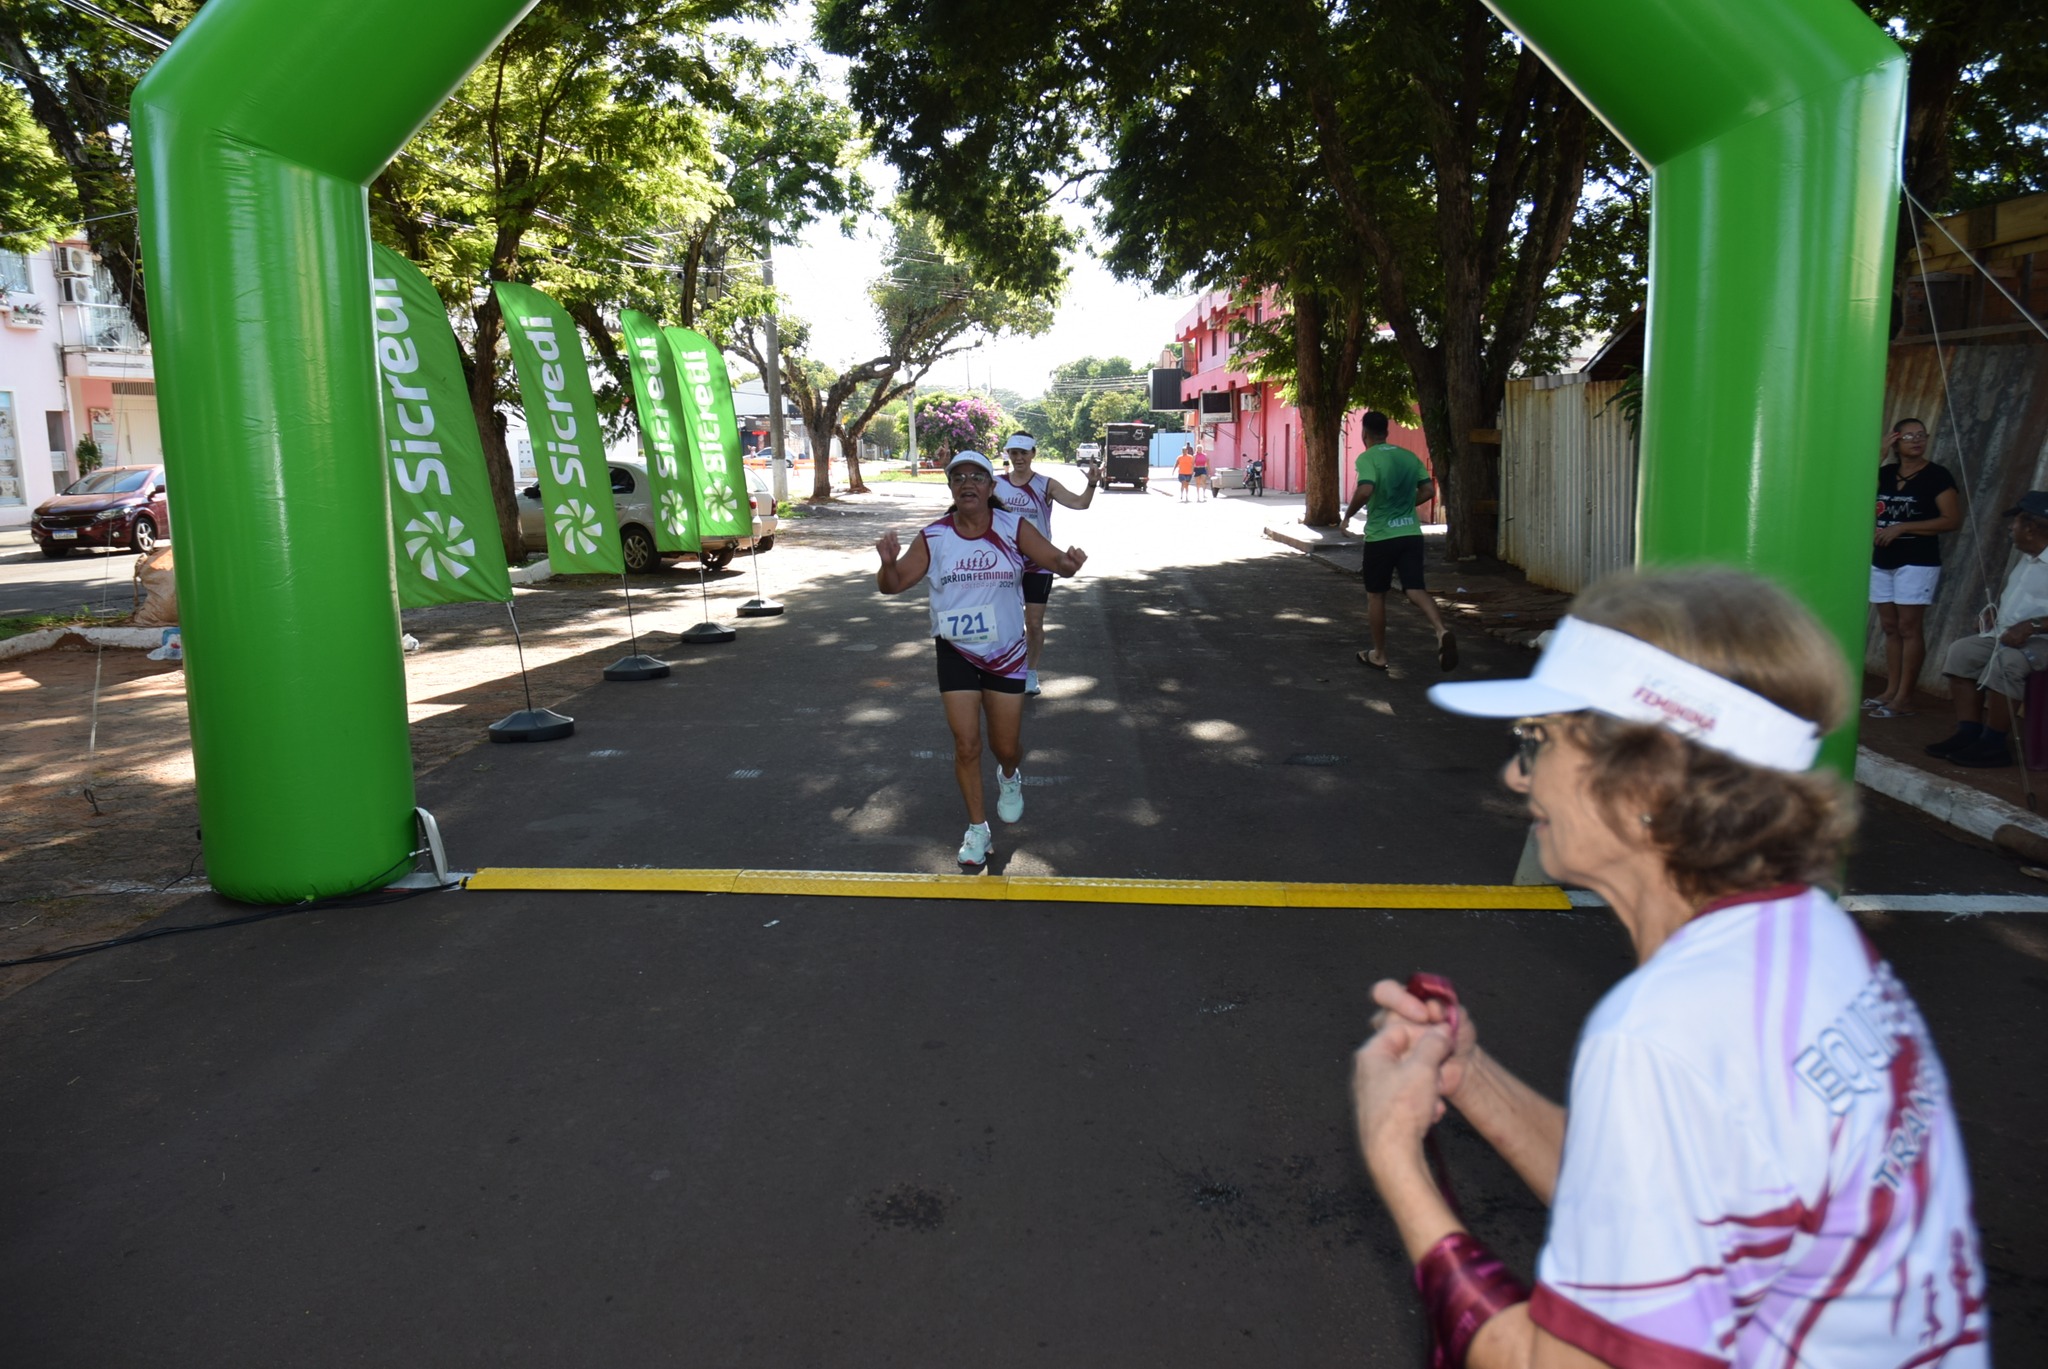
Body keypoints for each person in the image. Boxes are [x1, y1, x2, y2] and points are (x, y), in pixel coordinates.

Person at [1352, 566, 1988, 1369]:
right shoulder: (1806, 937)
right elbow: (1661, 1192)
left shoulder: (1663, 1030)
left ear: (1642, 783)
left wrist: (1395, 1156)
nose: (1517, 775)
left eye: (1537, 741)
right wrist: (1468, 1075)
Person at [875, 451, 1087, 872]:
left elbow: (1056, 563)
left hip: (1006, 653)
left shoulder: (1012, 527)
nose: (967, 483)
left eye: (977, 477)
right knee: (966, 744)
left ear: (992, 488)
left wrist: (1071, 564)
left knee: (1004, 746)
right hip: (955, 651)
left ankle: (1009, 775)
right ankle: (978, 827)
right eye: (959, 477)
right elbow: (893, 585)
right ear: (951, 488)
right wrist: (885, 564)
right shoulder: (934, 536)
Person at [1923, 490, 2048, 768]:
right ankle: (1969, 732)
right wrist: (1995, 612)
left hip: (2042, 641)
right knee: (1961, 653)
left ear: (2030, 528)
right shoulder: (2028, 557)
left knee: (2008, 663)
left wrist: (2033, 625)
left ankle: (1994, 743)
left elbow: (2035, 618)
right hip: (2007, 633)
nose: (2009, 528)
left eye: (2014, 523)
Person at [1343, 410, 1454, 671]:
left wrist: (1348, 515)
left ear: (1365, 434)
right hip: (1411, 535)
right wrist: (1405, 504)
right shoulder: (1408, 456)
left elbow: (1366, 488)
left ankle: (1379, 654)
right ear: (1387, 432)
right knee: (1415, 588)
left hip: (1382, 538)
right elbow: (1427, 490)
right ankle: (1440, 630)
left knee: (1376, 595)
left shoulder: (1367, 458)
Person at [1869, 417, 1961, 718]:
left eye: (1921, 435)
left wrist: (1902, 527)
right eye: (1908, 436)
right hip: (1882, 559)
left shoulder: (1937, 476)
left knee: (1909, 627)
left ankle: (1905, 696)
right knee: (1890, 627)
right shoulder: (1884, 473)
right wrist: (1878, 455)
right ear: (1895, 441)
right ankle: (1890, 690)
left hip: (1917, 559)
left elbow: (1951, 519)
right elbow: (1854, 492)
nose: (1917, 440)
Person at [998, 431, 1098, 696]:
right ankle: (1002, 668)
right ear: (1008, 454)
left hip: (1038, 563)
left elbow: (1080, 503)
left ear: (1033, 454)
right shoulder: (995, 485)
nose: (1019, 458)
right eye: (1014, 453)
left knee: (1033, 623)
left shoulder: (1046, 485)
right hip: (1004, 562)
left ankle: (1030, 672)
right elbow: (965, 495)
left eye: (1024, 453)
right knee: (1004, 622)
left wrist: (1092, 484)